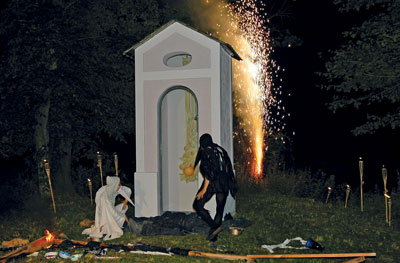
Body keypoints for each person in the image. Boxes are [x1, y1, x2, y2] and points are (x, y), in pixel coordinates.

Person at [192, 133, 237, 241]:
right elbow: (229, 168)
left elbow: (209, 172)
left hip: (213, 181)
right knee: (219, 210)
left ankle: (215, 227)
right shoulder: (221, 150)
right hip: (225, 182)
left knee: (197, 205)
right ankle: (214, 236)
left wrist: (203, 190)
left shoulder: (207, 151)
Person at [82, 176, 133, 240]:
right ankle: (109, 227)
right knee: (120, 217)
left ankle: (116, 224)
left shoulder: (114, 189)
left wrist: (125, 202)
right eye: (118, 184)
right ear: (115, 185)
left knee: (125, 207)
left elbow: (128, 190)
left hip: (110, 210)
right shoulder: (105, 196)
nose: (120, 186)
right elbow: (108, 212)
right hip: (106, 214)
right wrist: (124, 217)